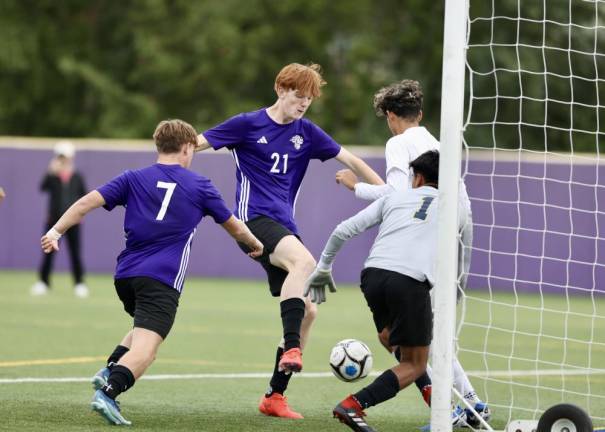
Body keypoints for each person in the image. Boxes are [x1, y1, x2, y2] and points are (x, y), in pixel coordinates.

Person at [40, 119, 263, 426]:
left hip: (126, 277)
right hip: (162, 279)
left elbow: (85, 203)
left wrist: (55, 231)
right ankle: (109, 391)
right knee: (147, 352)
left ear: (159, 146)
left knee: (143, 327)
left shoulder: (132, 178)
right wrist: (255, 244)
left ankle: (110, 367)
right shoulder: (200, 185)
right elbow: (234, 226)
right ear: (187, 148)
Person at [195, 63, 384, 419]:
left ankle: (274, 396)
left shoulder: (306, 132)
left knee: (309, 310)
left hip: (283, 226)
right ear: (280, 89)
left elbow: (351, 159)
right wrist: (171, 161)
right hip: (253, 221)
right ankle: (293, 349)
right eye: (299, 96)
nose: (303, 105)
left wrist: (386, 194)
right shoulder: (247, 124)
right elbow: (196, 143)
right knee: (305, 263)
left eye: (309, 100)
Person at [333, 80, 490, 427]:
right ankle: (472, 406)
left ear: (391, 116)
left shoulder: (398, 143)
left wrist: (355, 186)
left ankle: (458, 409)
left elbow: (398, 195)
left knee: (420, 339)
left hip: (426, 241)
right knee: (429, 333)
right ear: (419, 113)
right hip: (455, 232)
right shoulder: (436, 143)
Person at [306, 150, 444, 432]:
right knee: (416, 363)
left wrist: (323, 268)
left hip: (373, 275)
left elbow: (344, 229)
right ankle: (353, 405)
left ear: (417, 178)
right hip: (409, 281)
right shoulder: (454, 206)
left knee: (388, 337)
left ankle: (436, 401)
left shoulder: (394, 197)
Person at [32, 141, 89, 297]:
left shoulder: (77, 175)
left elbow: (85, 195)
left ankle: (79, 283)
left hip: (74, 222)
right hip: (53, 221)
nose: (63, 160)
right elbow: (42, 187)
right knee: (48, 252)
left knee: (75, 253)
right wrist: (50, 172)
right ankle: (43, 282)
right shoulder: (52, 175)